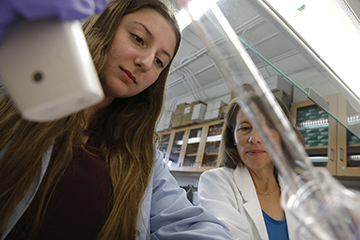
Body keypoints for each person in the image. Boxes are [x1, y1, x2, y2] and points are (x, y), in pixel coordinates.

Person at [0, 1, 233, 239]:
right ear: (106, 25)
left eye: (159, 62)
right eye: (138, 38)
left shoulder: (144, 157)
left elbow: (198, 227)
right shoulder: (16, 86)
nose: (145, 62)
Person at [198, 96, 305, 240]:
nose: (254, 138)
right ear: (233, 138)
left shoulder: (297, 187)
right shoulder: (216, 182)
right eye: (245, 128)